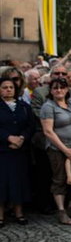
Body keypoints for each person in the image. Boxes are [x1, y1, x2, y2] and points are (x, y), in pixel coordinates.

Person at [40, 77, 71, 225]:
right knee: (60, 178)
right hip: (58, 149)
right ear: (51, 91)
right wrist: (65, 150)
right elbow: (48, 132)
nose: (59, 90)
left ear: (67, 89)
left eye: (62, 87)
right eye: (55, 88)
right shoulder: (48, 107)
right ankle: (61, 211)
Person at [0, 76, 35, 226]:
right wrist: (8, 138)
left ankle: (19, 212)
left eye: (11, 87)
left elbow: (31, 125)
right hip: (2, 150)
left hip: (20, 150)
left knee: (19, 181)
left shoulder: (24, 106)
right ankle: (0, 215)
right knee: (2, 183)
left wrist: (21, 138)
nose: (8, 90)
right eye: (5, 87)